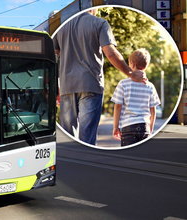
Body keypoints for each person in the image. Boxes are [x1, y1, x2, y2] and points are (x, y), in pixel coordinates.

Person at [52, 9, 145, 145]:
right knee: (87, 135)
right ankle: (86, 163)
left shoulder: (61, 26)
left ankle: (70, 163)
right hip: (91, 84)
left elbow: (54, 56)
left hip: (67, 85)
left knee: (67, 135)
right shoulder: (99, 23)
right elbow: (111, 53)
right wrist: (130, 73)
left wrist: (56, 87)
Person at [111, 49, 160, 146]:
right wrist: (150, 128)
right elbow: (153, 111)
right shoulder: (150, 86)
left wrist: (115, 127)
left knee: (128, 157)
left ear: (132, 64)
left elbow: (118, 106)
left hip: (128, 127)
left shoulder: (123, 84)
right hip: (144, 127)